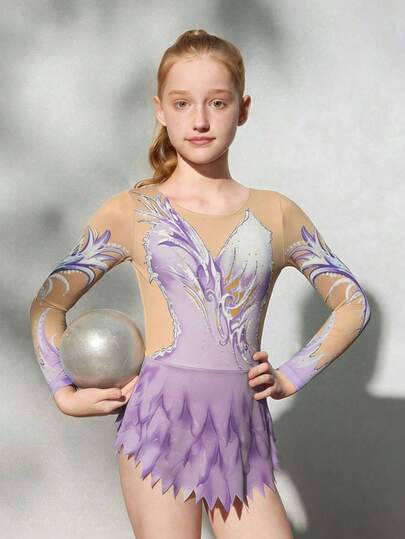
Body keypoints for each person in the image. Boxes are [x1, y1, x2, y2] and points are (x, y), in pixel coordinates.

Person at [29, 29, 371, 539]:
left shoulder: (276, 212)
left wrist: (290, 376)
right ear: (160, 110)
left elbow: (351, 303)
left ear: (243, 109)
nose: (200, 120)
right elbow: (47, 305)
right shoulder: (132, 211)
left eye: (218, 102)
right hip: (158, 430)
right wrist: (64, 390)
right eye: (182, 103)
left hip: (242, 432)